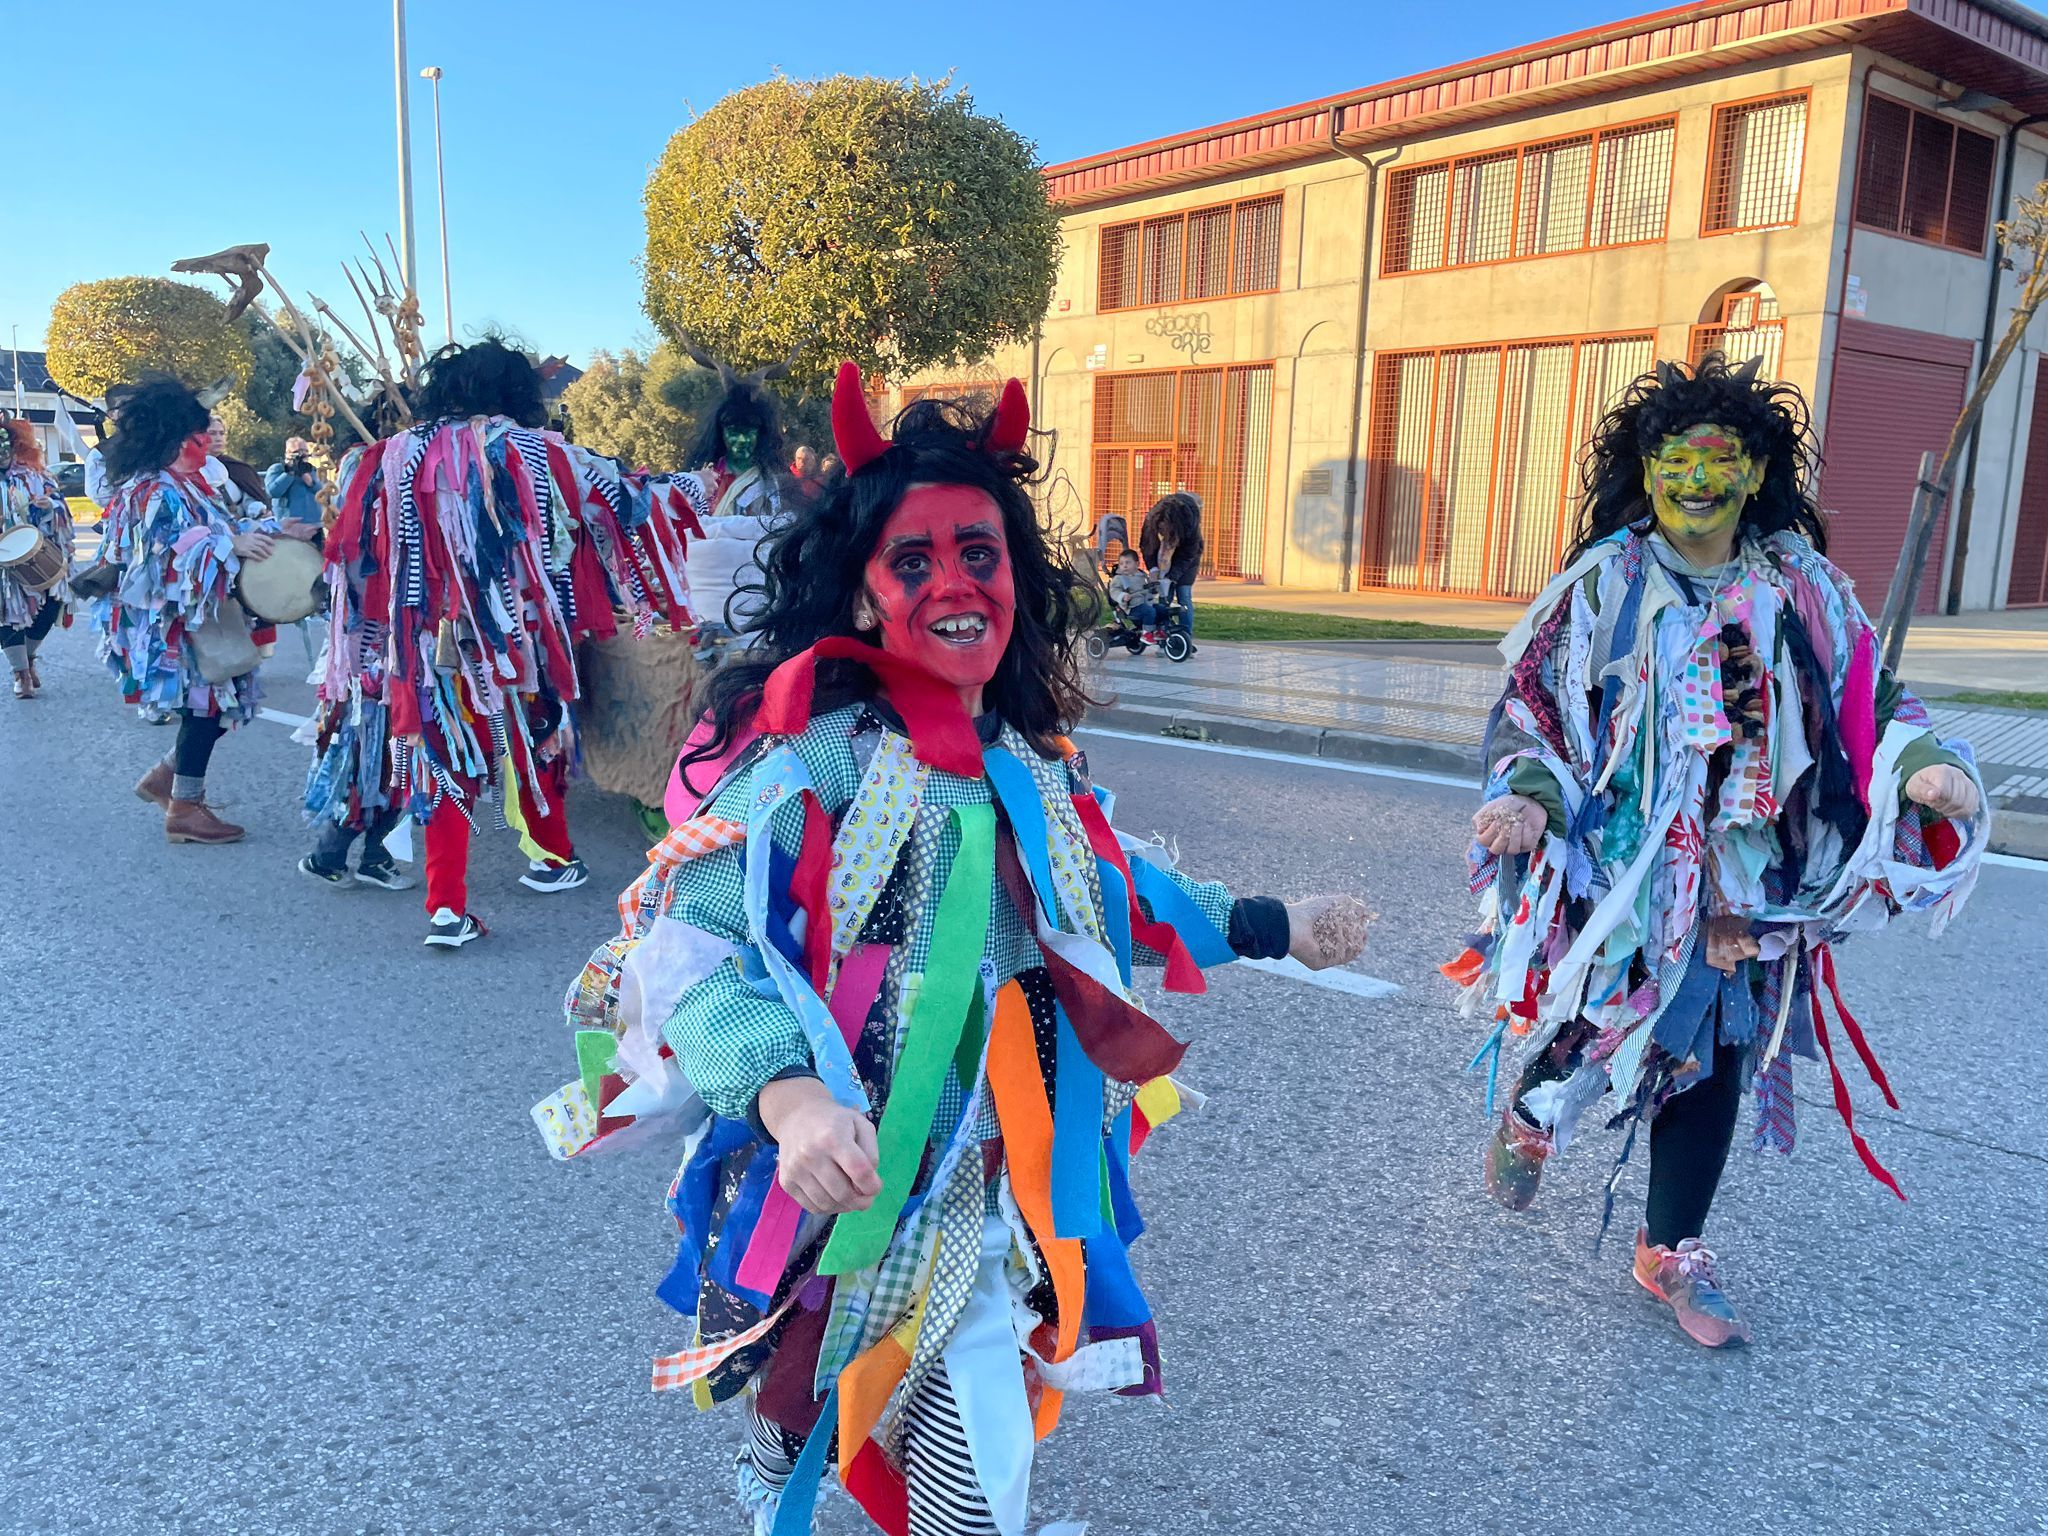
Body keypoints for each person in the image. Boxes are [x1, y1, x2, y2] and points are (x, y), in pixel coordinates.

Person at [534, 363, 1372, 1536]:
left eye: (978, 552)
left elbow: (1117, 894)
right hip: (845, 1174)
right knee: (808, 1381)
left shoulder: (1035, 770)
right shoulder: (810, 763)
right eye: (912, 560)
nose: (953, 583)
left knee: (968, 1463)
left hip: (992, 1185)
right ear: (861, 592)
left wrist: (1271, 923)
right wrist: (789, 1101)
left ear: (1016, 578)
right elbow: (693, 951)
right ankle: (792, 1441)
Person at [1447, 355, 1987, 1348]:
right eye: (1675, 460)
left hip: (1746, 877)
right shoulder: (1604, 584)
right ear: (1646, 469)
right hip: (1625, 875)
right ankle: (1531, 1114)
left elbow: (1868, 701)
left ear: (1755, 472)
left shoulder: (1800, 588)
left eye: (1720, 459)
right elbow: (1535, 711)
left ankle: (1669, 1247)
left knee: (1716, 1044)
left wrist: (1922, 766)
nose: (1696, 480)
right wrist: (1526, 799)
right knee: (1610, 1017)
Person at [312, 338, 644, 945]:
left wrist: (368, 640)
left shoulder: (386, 456)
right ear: (516, 391)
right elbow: (620, 501)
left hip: (426, 640)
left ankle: (446, 908)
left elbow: (355, 558)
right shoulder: (539, 451)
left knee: (447, 760)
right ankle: (552, 857)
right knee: (536, 738)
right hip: (516, 637)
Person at [93, 376, 282, 844]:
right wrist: (229, 545)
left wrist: (269, 533)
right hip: (173, 624)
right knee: (208, 706)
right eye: (199, 432)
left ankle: (168, 781)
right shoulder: (152, 490)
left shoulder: (184, 484)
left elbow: (218, 530)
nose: (206, 438)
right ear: (177, 438)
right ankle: (184, 808)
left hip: (198, 617)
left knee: (218, 704)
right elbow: (159, 561)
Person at [1, 418, 75, 699]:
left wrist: (49, 507)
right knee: (7, 613)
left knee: (51, 604)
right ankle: (20, 673)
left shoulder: (35, 475)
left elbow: (62, 510)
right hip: (3, 560)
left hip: (36, 550)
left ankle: (29, 657)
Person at [1138, 490, 1202, 649]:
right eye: (1160, 530)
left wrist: (1172, 577)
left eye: (1166, 531)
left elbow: (1188, 554)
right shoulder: (1151, 520)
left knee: (1183, 594)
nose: (1162, 533)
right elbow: (1146, 546)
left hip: (1187, 558)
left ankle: (1185, 639)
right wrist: (1153, 569)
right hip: (1162, 554)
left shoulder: (1190, 522)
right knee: (1164, 595)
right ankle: (1164, 637)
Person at [263, 436, 326, 538]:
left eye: (305, 451)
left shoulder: (311, 469)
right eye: (299, 451)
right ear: (288, 453)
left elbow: (322, 492)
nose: (303, 455)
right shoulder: (277, 469)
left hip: (313, 525)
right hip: (289, 526)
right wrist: (289, 473)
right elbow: (272, 492)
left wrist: (309, 479)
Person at [1105, 547, 1153, 632]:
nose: (1125, 566)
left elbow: (1147, 588)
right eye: (1121, 563)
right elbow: (1114, 590)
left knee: (1161, 609)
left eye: (1128, 563)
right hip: (1132, 606)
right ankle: (1147, 633)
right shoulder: (1120, 578)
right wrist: (1122, 596)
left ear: (1137, 564)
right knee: (1149, 611)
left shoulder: (1142, 575)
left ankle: (1160, 630)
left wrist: (1153, 588)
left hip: (1145, 603)